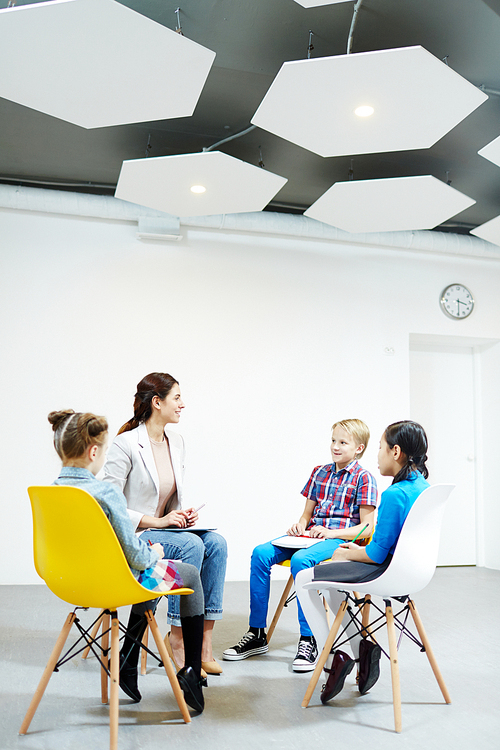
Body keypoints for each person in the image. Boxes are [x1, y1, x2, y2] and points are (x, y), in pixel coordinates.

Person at [48, 409, 206, 713]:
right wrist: (155, 554)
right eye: (105, 451)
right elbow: (136, 555)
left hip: (69, 584)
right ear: (94, 451)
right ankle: (191, 671)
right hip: (117, 582)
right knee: (189, 573)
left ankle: (130, 661)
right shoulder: (104, 493)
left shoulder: (51, 492)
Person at [223, 419, 377, 672]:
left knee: (301, 561)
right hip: (311, 537)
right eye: (333, 440)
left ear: (359, 448)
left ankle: (309, 639)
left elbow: (367, 528)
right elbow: (307, 514)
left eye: (342, 442)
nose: (335, 447)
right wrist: (300, 525)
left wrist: (331, 532)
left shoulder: (364, 478)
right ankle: (257, 633)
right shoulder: (319, 472)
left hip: (339, 541)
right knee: (261, 553)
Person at [102, 372, 227, 676]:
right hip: (136, 534)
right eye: (177, 398)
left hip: (164, 529)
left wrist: (180, 515)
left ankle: (205, 645)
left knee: (216, 544)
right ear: (157, 402)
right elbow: (109, 503)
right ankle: (179, 639)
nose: (183, 404)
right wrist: (157, 520)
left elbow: (166, 497)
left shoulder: (177, 442)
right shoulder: (126, 444)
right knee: (192, 545)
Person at [295, 420, 430, 702]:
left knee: (306, 577)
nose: (377, 454)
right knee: (332, 581)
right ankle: (361, 650)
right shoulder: (423, 486)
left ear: (395, 452)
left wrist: (346, 553)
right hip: (415, 572)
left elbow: (375, 553)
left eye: (380, 448)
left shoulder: (395, 493)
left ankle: (333, 658)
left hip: (387, 571)